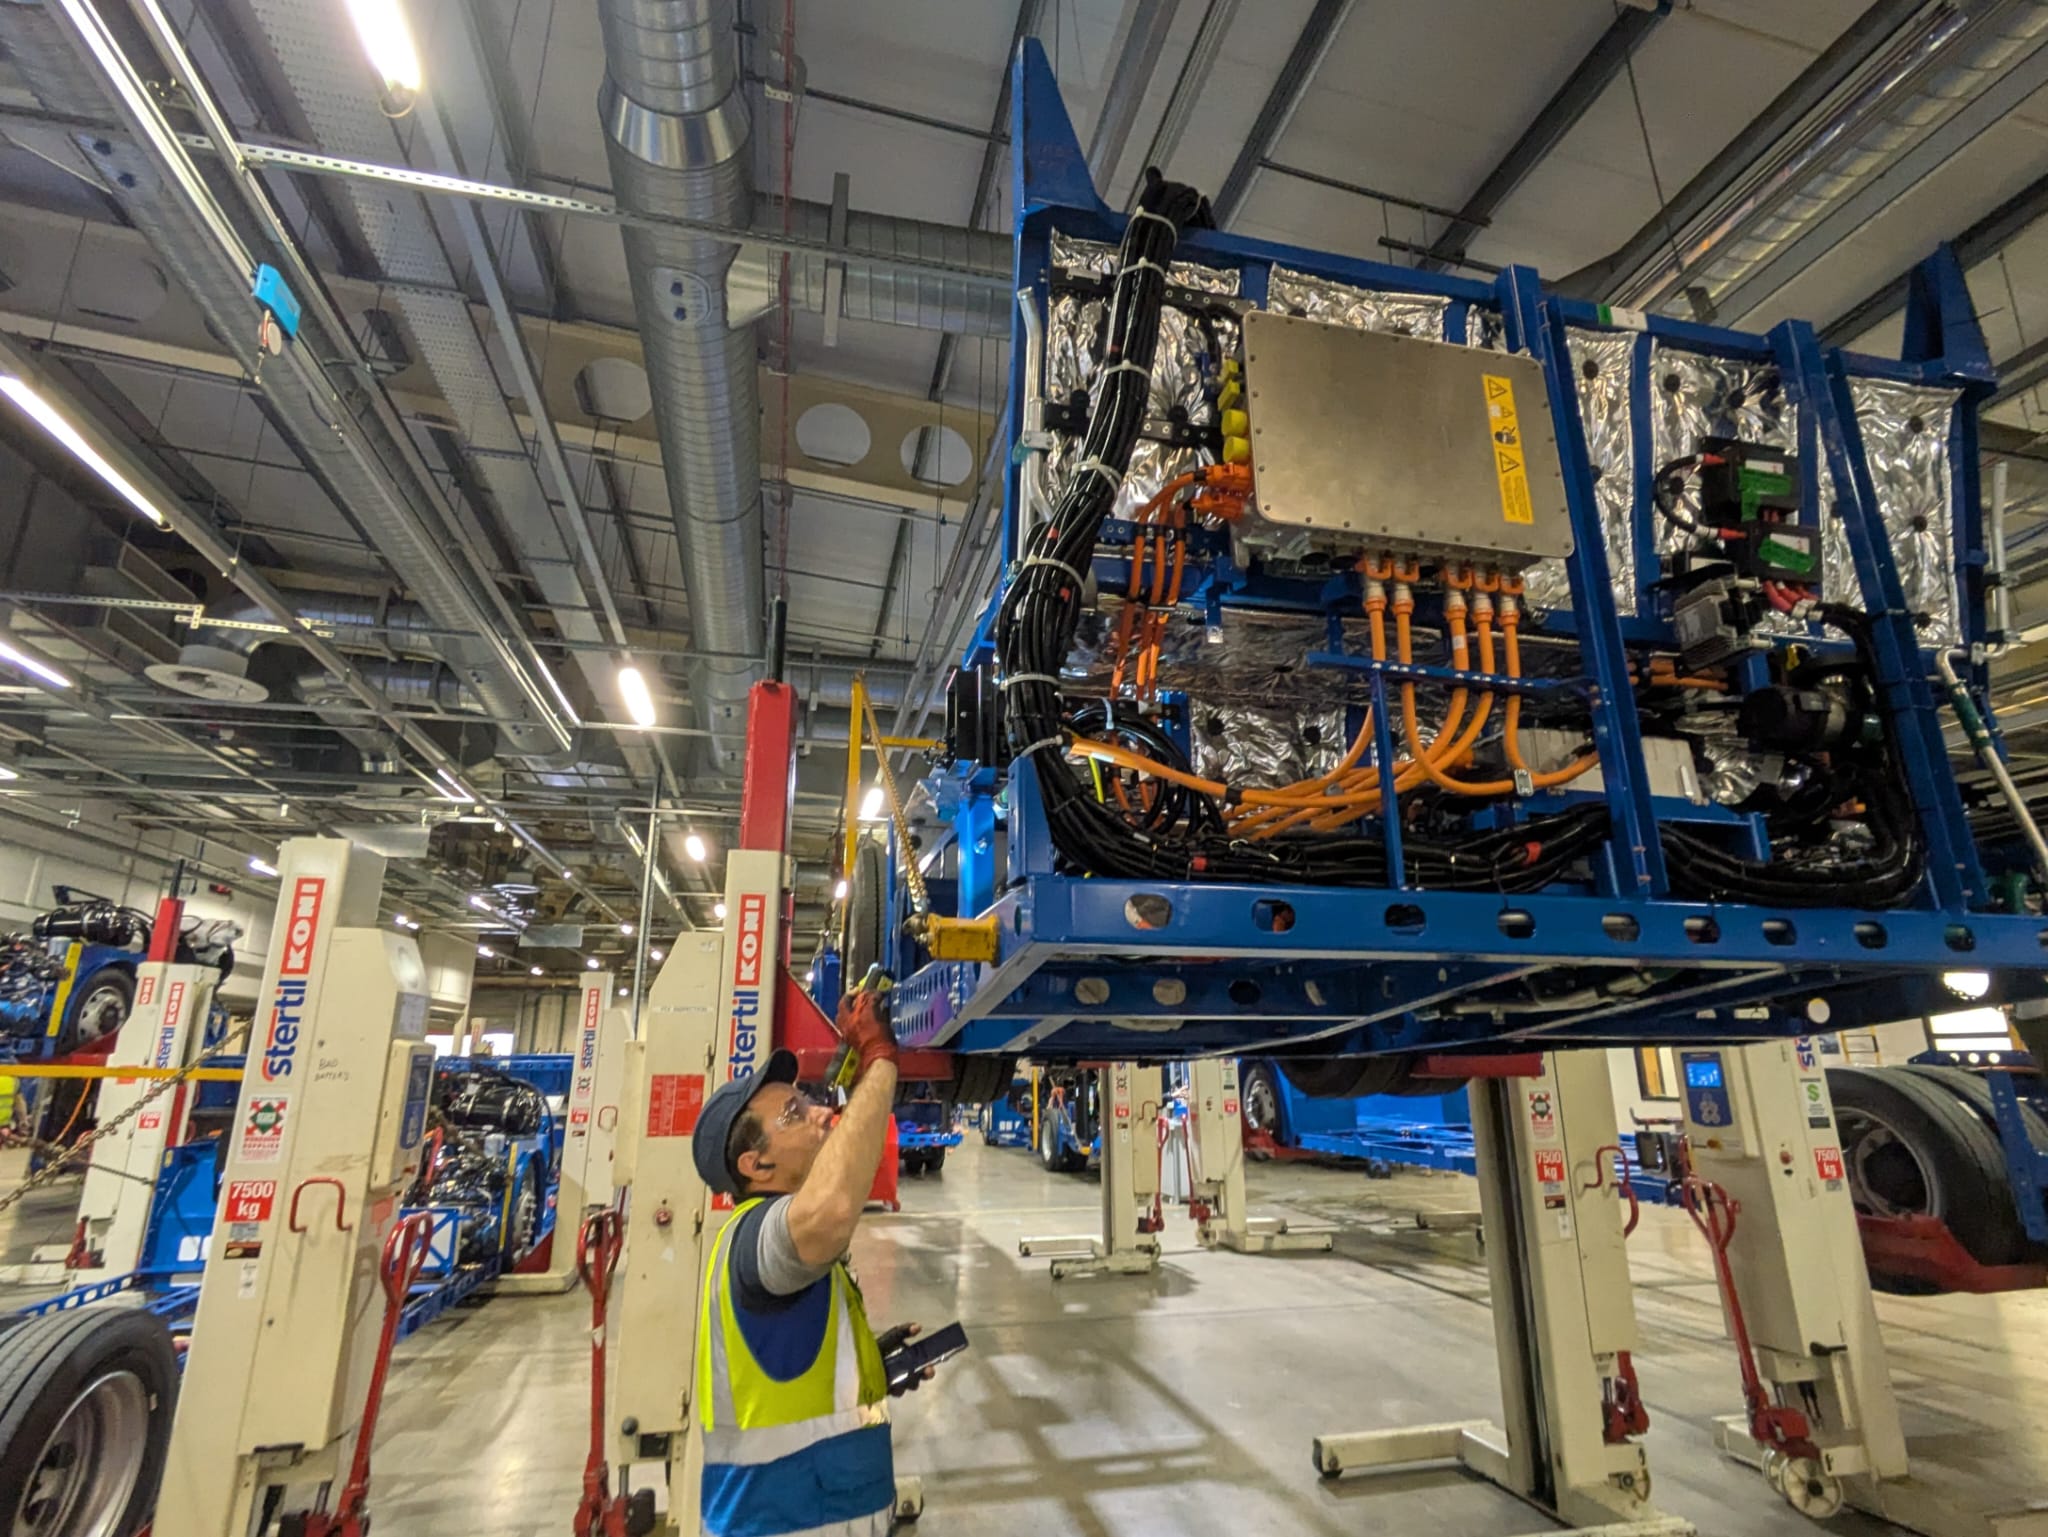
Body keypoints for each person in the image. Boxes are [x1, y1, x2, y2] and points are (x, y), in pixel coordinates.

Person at [689, 978, 928, 1537]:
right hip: (784, 1518)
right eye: (793, 1114)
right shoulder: (758, 1239)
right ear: (757, 1167)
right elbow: (836, 1206)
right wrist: (879, 1057)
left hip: (805, 1511)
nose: (819, 1113)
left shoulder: (768, 1244)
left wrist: (871, 1368)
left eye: (805, 1102)